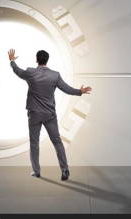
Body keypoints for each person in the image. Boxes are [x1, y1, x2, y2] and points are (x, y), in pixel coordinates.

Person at [8, 49, 92, 181]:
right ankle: (65, 170)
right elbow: (67, 89)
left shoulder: (31, 72)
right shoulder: (55, 75)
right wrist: (80, 91)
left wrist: (12, 60)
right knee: (57, 142)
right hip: (49, 114)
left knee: (34, 143)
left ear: (37, 59)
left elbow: (18, 71)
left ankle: (37, 172)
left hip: (34, 114)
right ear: (47, 60)